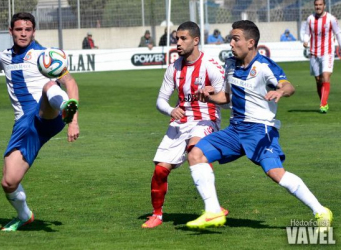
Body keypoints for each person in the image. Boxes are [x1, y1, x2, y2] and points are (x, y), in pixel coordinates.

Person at [186, 20, 333, 230]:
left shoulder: (265, 67)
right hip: (235, 130)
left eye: (236, 39)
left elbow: (288, 86)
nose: (231, 44)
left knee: (275, 173)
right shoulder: (230, 64)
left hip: (260, 130)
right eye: (230, 39)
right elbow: (226, 97)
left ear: (250, 42)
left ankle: (321, 211)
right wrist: (208, 97)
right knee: (195, 154)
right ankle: (213, 211)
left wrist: (281, 91)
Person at [0, 12, 80, 232]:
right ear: (11, 31)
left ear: (34, 32)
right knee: (9, 182)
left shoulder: (45, 55)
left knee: (49, 87)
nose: (23, 33)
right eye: (19, 29)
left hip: (46, 113)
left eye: (28, 29)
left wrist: (73, 121)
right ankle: (25, 216)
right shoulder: (6, 57)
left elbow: (70, 83)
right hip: (24, 125)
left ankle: (64, 108)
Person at [141, 21, 228, 228]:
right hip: (180, 122)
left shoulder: (212, 65)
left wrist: (212, 95)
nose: (177, 43)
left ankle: (213, 208)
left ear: (195, 40)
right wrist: (171, 110)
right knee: (160, 170)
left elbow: (227, 101)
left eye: (183, 39)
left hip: (206, 119)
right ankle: (157, 215)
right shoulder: (174, 68)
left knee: (194, 150)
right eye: (176, 39)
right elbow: (160, 100)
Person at [303, 0, 341, 113]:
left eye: (320, 5)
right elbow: (306, 33)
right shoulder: (310, 19)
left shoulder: (331, 19)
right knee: (318, 80)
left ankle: (323, 104)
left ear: (324, 5)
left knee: (326, 75)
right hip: (314, 53)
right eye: (316, 5)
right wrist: (305, 41)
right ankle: (323, 102)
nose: (318, 7)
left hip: (327, 52)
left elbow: (338, 33)